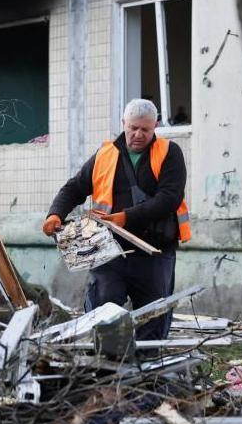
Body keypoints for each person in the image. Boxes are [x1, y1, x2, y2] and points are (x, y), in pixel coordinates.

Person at [42, 99, 191, 341]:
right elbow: (74, 188)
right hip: (109, 251)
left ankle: (148, 370)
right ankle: (105, 369)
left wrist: (127, 217)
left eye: (145, 129)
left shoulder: (169, 153)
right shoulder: (105, 154)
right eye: (133, 127)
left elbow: (169, 198)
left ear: (155, 127)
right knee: (103, 312)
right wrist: (55, 214)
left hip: (154, 252)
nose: (138, 134)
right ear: (124, 124)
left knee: (152, 318)